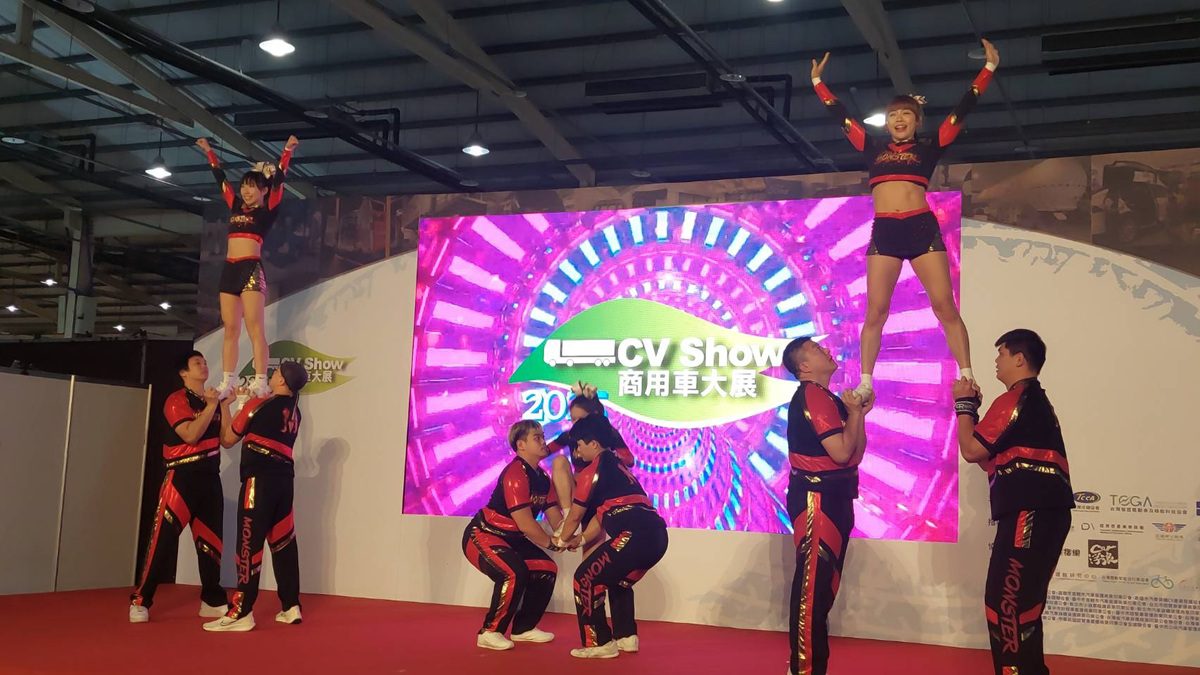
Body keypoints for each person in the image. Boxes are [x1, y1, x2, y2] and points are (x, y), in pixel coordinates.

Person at [811, 39, 1001, 403]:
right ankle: (866, 382)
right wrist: (818, 83)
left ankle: (967, 374)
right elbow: (841, 116)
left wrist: (988, 69)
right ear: (887, 122)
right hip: (885, 231)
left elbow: (961, 112)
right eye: (893, 115)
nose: (899, 120)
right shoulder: (872, 148)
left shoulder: (929, 147)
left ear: (916, 121)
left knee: (944, 306)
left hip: (920, 228)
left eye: (906, 115)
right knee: (875, 312)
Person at [954, 329, 1073, 675]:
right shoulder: (1035, 401)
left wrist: (963, 405)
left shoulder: (1014, 399)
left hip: (1028, 514)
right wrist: (973, 413)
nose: (996, 361)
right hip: (1042, 512)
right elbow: (987, 458)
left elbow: (971, 450)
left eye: (1002, 354)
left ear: (1019, 359)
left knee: (1006, 604)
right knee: (1025, 605)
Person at [781, 337, 871, 675]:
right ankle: (804, 669)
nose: (827, 350)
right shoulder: (813, 396)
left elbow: (853, 454)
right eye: (817, 350)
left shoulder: (828, 398)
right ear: (804, 367)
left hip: (834, 498)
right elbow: (843, 452)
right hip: (816, 500)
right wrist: (854, 414)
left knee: (822, 592)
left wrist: (856, 414)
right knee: (813, 593)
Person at [203, 362, 309, 632]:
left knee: (248, 544)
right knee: (284, 543)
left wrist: (226, 406)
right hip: (284, 483)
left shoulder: (258, 405)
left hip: (258, 482)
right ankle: (291, 606)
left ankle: (242, 611)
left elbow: (228, 439)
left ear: (282, 381)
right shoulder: (295, 411)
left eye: (276, 373)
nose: (271, 375)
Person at [196, 135, 299, 399]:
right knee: (231, 329)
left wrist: (287, 151)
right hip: (230, 270)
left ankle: (260, 380)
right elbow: (221, 181)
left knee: (255, 328)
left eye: (252, 187)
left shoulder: (268, 210)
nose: (246, 191)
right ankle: (227, 381)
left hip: (251, 270)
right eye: (244, 186)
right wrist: (209, 152)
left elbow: (280, 180)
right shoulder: (234, 206)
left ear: (264, 191)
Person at [129, 350, 228, 623]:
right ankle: (140, 600)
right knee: (162, 542)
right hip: (181, 477)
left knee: (211, 544)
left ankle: (212, 600)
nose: (204, 366)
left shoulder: (212, 401)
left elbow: (227, 440)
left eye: (205, 362)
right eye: (197, 363)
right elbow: (191, 435)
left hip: (210, 477)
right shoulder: (176, 400)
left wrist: (226, 406)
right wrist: (212, 406)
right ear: (184, 372)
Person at [561, 414, 669, 660]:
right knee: (618, 580)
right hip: (658, 536)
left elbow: (575, 516)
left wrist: (560, 540)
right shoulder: (619, 467)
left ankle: (599, 642)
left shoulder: (592, 471)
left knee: (585, 579)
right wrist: (580, 540)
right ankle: (626, 637)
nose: (576, 452)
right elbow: (602, 516)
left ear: (594, 444)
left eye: (579, 445)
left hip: (634, 534)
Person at [462, 420, 566, 651]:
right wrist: (551, 543)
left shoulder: (543, 478)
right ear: (521, 445)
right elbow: (526, 524)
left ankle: (523, 628)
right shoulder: (515, 473)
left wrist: (567, 536)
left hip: (512, 540)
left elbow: (554, 516)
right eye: (537, 438)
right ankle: (489, 632)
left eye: (542, 436)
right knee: (513, 572)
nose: (544, 441)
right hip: (484, 535)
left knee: (547, 569)